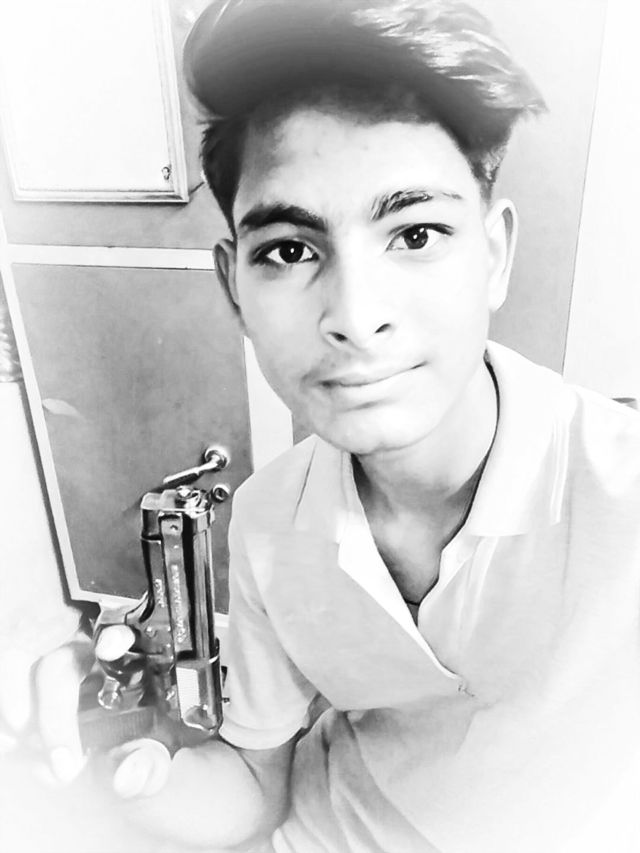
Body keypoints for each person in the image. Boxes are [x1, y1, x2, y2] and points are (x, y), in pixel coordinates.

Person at [4, 1, 640, 851]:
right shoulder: (272, 518)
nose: (355, 316)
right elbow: (251, 788)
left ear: (494, 254)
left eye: (416, 233)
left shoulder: (618, 497)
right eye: (290, 250)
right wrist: (115, 761)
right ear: (235, 286)